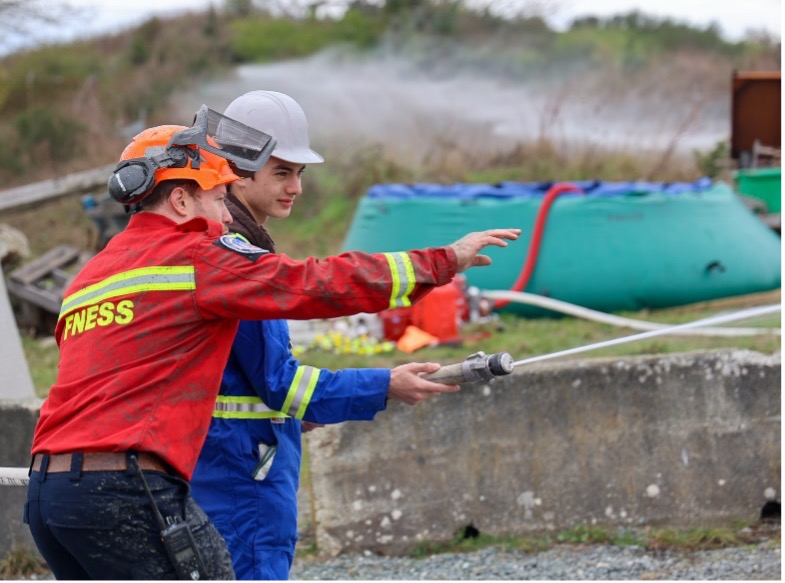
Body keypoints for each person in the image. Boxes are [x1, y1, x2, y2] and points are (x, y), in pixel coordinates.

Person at [23, 108, 521, 580]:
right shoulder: (196, 257)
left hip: (50, 497)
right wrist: (440, 262)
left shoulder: (89, 278)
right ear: (180, 200)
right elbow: (314, 284)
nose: (224, 215)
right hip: (129, 490)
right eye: (219, 199)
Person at [191, 91, 465, 580]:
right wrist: (386, 386)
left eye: (300, 173)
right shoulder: (235, 262)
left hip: (223, 463)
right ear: (236, 171)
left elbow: (241, 384)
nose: (295, 187)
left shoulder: (207, 252)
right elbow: (284, 385)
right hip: (241, 472)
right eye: (281, 172)